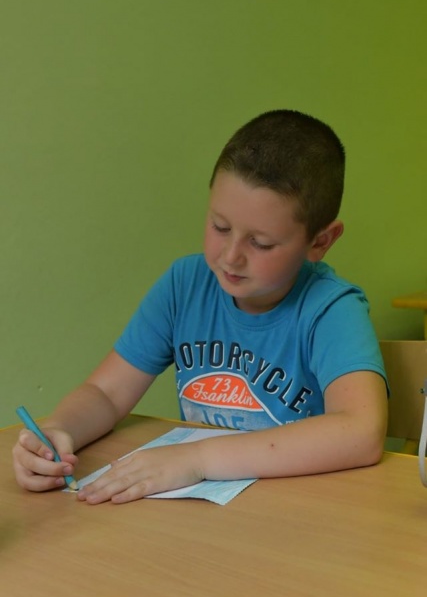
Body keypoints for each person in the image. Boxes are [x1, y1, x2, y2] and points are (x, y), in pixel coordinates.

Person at [12, 109, 388, 504]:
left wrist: (198, 459)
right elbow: (106, 393)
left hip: (297, 512)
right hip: (201, 520)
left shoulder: (332, 308)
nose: (230, 256)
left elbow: (361, 432)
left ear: (320, 242)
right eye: (220, 227)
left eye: (260, 243)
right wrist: (60, 430)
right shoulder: (185, 285)